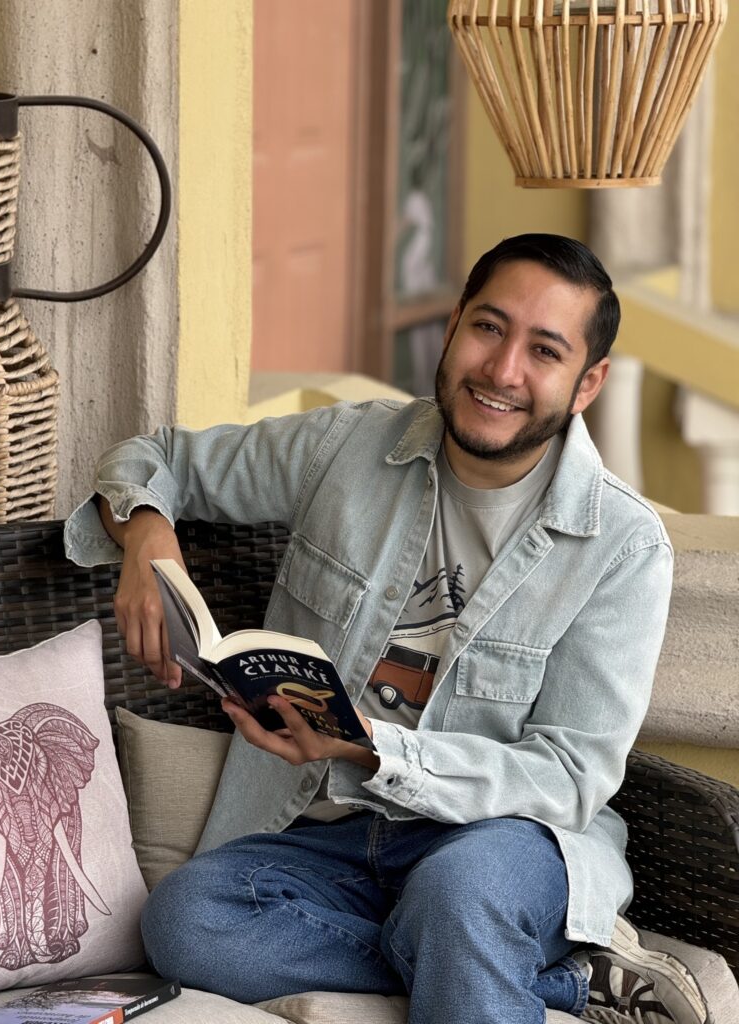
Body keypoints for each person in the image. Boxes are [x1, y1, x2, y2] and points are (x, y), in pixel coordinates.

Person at [64, 234, 707, 1024]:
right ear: (453, 326)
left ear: (588, 383)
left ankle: (468, 942)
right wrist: (145, 534)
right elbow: (152, 458)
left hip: (501, 842)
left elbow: (569, 776)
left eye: (544, 351)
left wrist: (374, 749)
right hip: (326, 838)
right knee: (186, 920)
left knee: (459, 894)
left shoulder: (622, 546)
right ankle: (556, 983)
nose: (502, 370)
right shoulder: (346, 448)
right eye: (488, 327)